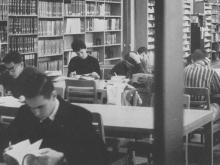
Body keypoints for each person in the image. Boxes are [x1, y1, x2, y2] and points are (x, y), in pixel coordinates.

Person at [0, 67, 107, 165]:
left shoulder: (78, 116)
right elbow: (8, 139)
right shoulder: (24, 112)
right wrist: (7, 151)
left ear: (53, 95)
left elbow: (99, 159)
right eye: (31, 107)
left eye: (40, 107)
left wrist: (63, 158)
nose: (36, 113)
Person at [184, 49, 220, 120]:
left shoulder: (184, 70)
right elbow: (218, 90)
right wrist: (209, 66)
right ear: (206, 59)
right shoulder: (210, 71)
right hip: (205, 110)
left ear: (192, 60)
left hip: (187, 110)